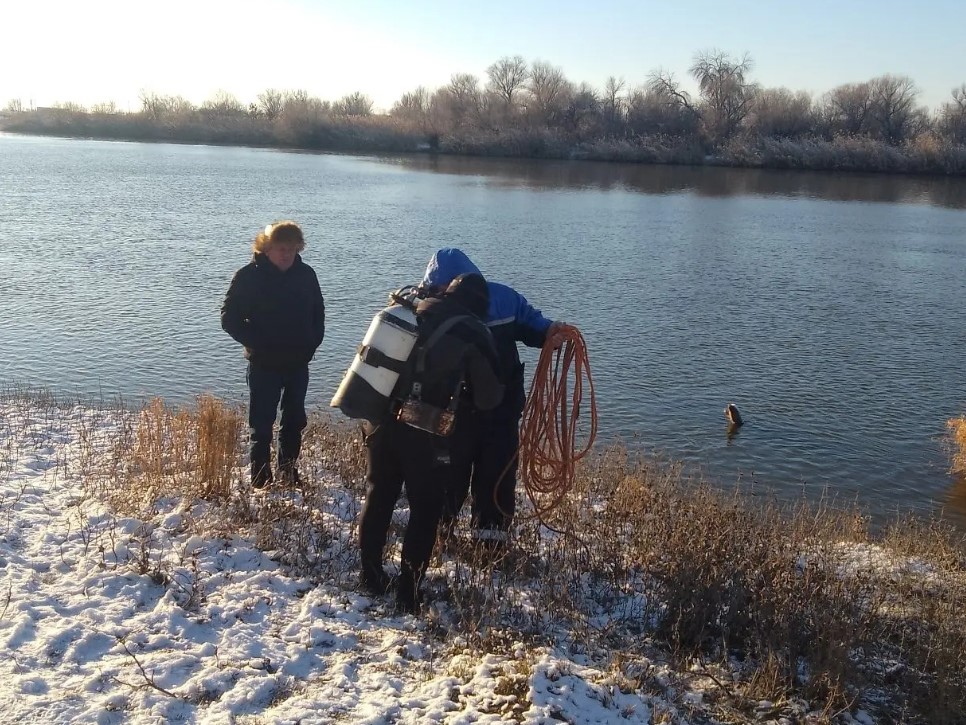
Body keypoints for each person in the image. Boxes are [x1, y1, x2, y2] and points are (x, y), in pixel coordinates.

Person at [357, 273, 504, 613]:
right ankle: (408, 594)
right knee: (425, 508)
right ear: (480, 305)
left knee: (379, 493)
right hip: (423, 430)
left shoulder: (412, 309)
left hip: (379, 419)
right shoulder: (473, 330)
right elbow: (488, 397)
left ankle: (370, 576)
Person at [420, 248, 559, 549]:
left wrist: (553, 331)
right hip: (465, 411)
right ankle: (444, 536)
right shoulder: (498, 298)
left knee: (490, 476)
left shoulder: (435, 306)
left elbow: (535, 326)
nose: (442, 294)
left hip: (489, 408)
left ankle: (488, 546)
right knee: (461, 475)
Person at [220, 221, 325, 489]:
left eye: (292, 248)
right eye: (281, 248)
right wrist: (258, 344)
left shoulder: (306, 275)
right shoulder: (248, 276)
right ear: (266, 248)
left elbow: (318, 313)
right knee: (262, 424)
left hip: (298, 364)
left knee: (294, 421)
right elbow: (229, 318)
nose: (287, 253)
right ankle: (260, 478)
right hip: (263, 365)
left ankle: (288, 472)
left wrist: (312, 344)